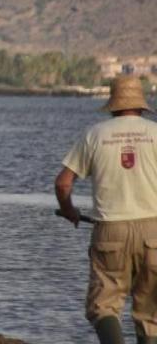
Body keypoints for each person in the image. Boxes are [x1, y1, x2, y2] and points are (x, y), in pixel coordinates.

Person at [55, 75, 157, 344]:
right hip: (154, 231)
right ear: (141, 105)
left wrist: (69, 210)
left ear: (113, 104)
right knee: (150, 313)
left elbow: (63, 183)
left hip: (110, 231)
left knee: (104, 305)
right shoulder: (156, 133)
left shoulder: (94, 134)